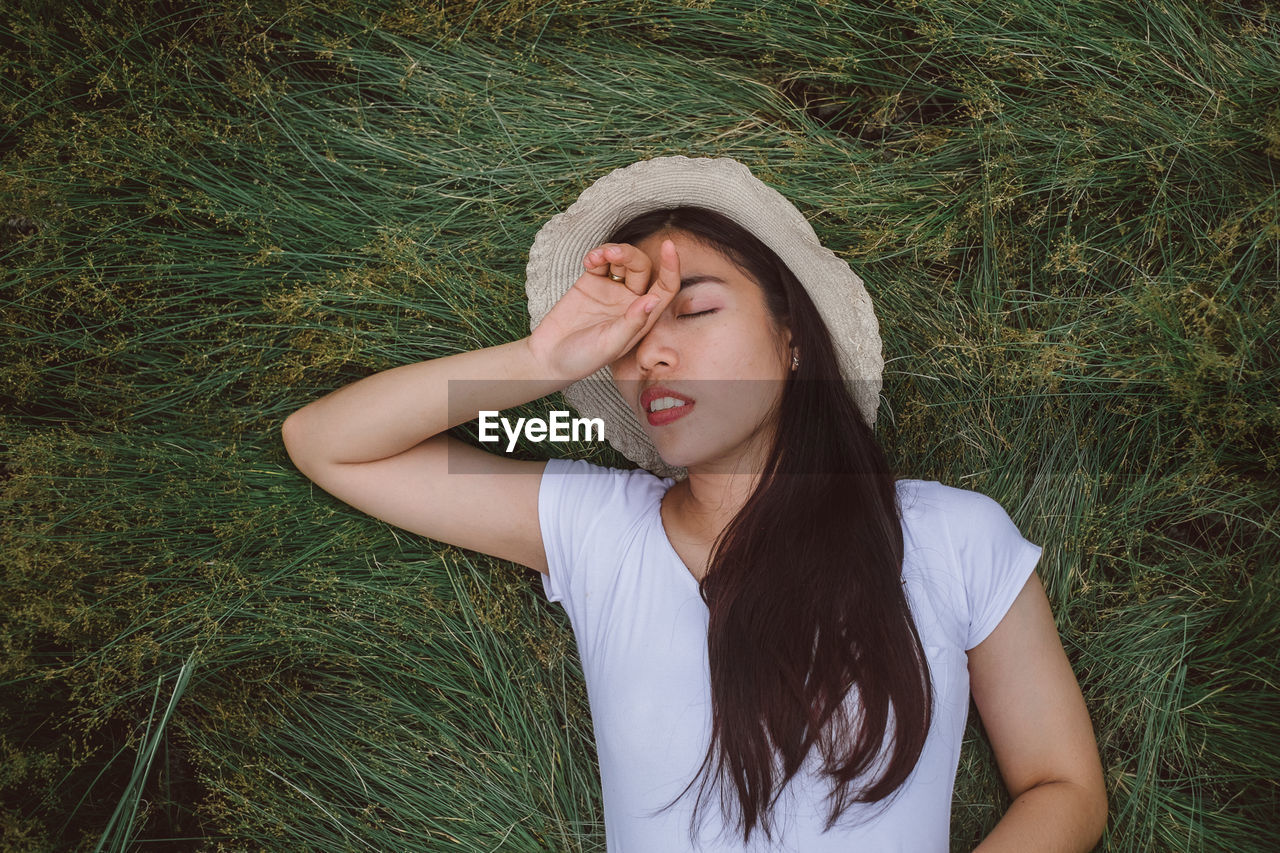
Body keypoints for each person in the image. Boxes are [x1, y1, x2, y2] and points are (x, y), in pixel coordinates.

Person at [281, 156, 1107, 852]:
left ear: (792, 339)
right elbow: (328, 443)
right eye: (633, 341)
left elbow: (1064, 784)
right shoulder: (601, 532)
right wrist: (544, 357)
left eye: (696, 308)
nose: (654, 356)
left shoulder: (951, 536)